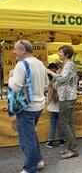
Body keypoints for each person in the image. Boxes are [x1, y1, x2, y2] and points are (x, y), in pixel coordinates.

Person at [8, 40, 49, 173]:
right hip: (39, 105)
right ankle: (38, 160)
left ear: (23, 50)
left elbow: (16, 86)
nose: (13, 52)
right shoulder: (40, 63)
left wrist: (10, 77)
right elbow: (46, 84)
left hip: (27, 107)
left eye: (15, 49)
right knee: (30, 135)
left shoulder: (21, 65)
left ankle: (30, 168)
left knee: (26, 139)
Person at [47, 45, 79, 159]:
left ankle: (73, 149)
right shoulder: (67, 65)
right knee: (69, 123)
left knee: (64, 123)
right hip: (67, 96)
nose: (58, 54)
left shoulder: (69, 65)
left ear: (67, 54)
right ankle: (71, 147)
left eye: (60, 52)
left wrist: (50, 72)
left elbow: (62, 79)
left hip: (67, 97)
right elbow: (60, 82)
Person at [45, 62, 66, 148]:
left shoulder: (50, 89)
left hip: (52, 109)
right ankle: (61, 140)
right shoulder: (61, 88)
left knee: (53, 125)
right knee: (61, 124)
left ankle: (51, 141)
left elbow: (47, 101)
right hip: (60, 109)